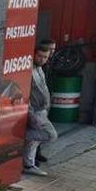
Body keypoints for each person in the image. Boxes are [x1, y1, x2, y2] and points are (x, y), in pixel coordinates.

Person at [23, 44, 58, 176]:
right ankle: (20, 137)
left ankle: (28, 164)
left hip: (41, 110)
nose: (42, 59)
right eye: (40, 56)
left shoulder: (39, 68)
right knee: (50, 135)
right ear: (33, 54)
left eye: (45, 57)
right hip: (34, 111)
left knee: (35, 140)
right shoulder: (29, 69)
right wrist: (31, 112)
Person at [35, 38, 57, 166]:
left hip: (44, 103)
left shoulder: (49, 63)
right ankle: (33, 157)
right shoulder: (37, 65)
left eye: (53, 50)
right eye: (51, 49)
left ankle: (38, 153)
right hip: (36, 106)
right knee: (40, 131)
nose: (52, 52)